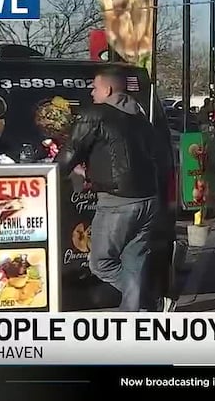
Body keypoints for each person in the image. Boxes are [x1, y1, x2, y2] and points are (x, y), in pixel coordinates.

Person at [56, 67, 160, 312]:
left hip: (118, 200)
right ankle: (135, 315)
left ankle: (147, 300)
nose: (91, 92)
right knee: (134, 260)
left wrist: (49, 174)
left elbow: (70, 152)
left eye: (94, 87)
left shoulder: (97, 114)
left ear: (108, 89)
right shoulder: (140, 117)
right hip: (148, 197)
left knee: (101, 262)